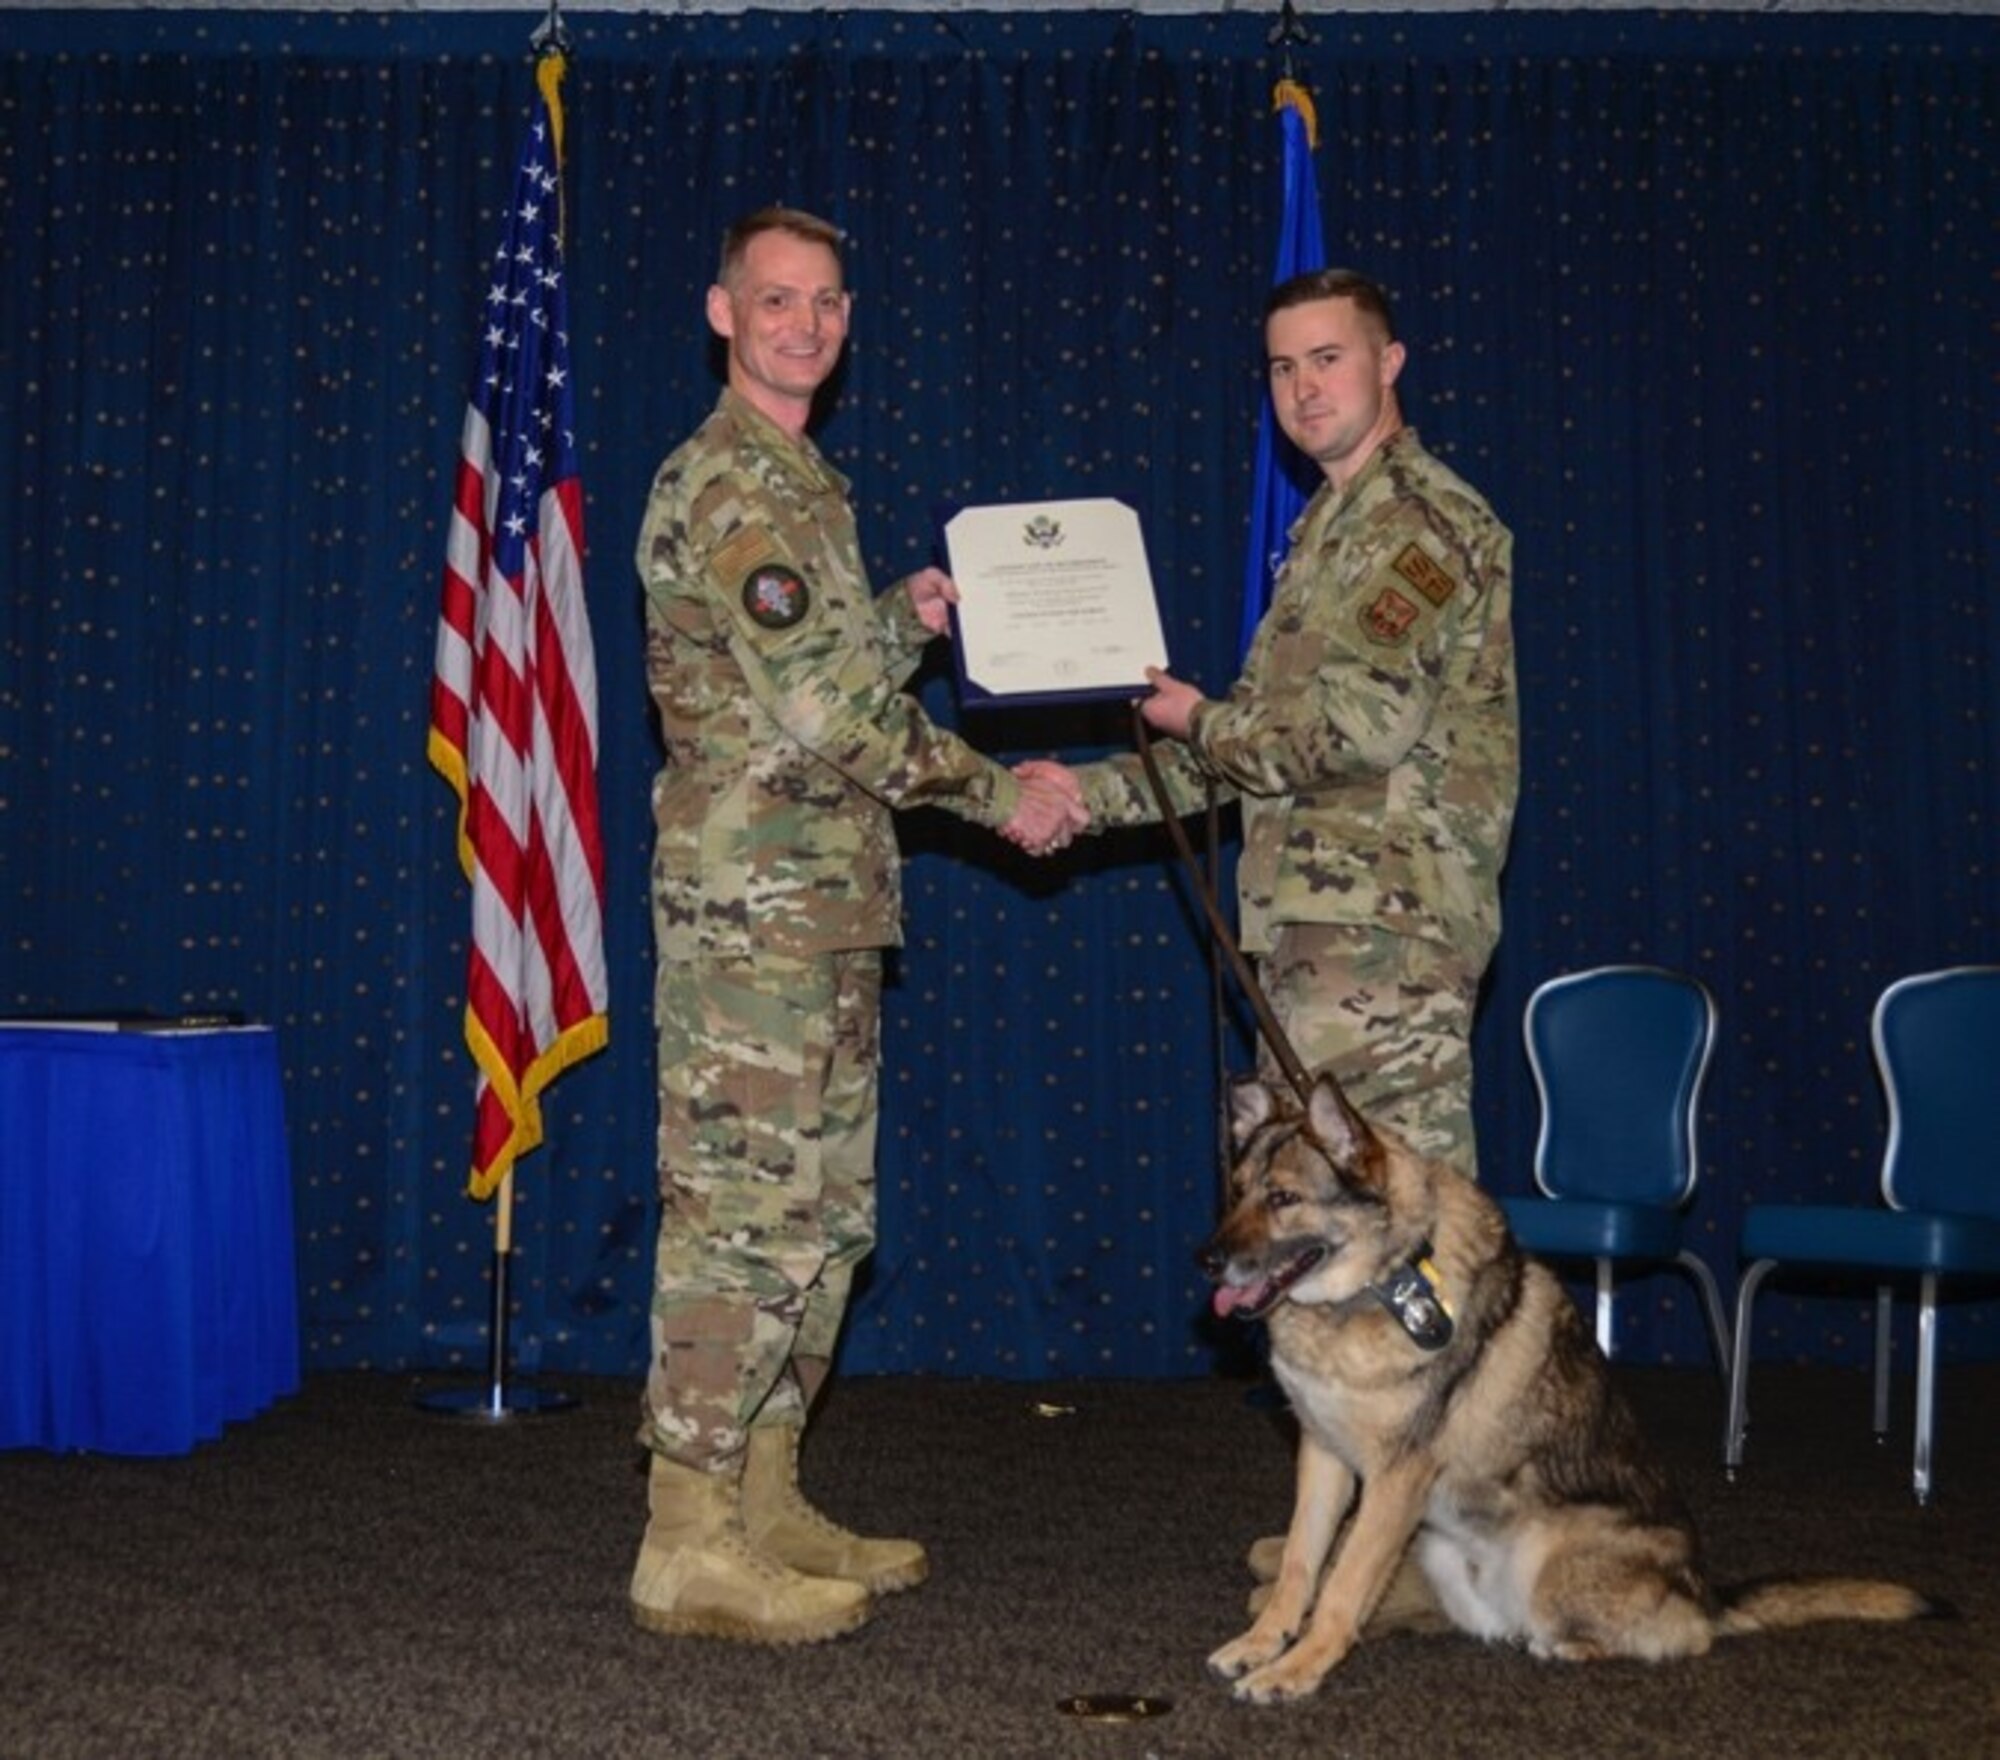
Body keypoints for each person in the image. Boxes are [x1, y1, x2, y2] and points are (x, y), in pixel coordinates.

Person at [630, 205, 1086, 1647]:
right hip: (750, 921)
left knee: (825, 1228)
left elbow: (820, 660)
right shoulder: (725, 485)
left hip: (822, 911)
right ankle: (684, 1537)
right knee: (742, 1229)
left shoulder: (804, 484)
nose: (805, 322)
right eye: (777, 299)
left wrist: (903, 615)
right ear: (723, 313)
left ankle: (765, 1496)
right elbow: (826, 717)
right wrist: (995, 790)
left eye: (827, 300)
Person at [1036, 266, 1516, 1182]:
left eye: (1329, 359)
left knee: (1403, 1239)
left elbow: (1360, 731)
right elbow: (1249, 756)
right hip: (1310, 936)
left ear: (1391, 362)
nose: (1304, 388)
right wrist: (1083, 796)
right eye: (1283, 367)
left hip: (1386, 942)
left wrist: (1201, 718)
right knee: (1318, 1252)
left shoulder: (1424, 524)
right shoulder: (1327, 537)